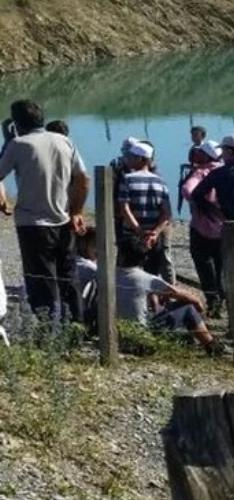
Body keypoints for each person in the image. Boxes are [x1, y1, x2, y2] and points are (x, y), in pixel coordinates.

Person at [0, 99, 90, 320]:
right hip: (64, 219)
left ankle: (48, 330)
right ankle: (76, 325)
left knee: (41, 281)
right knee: (68, 275)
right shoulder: (64, 141)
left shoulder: (18, 145)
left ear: (17, 123)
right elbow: (83, 178)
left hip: (33, 224)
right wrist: (77, 211)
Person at [73, 230, 221, 353]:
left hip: (112, 333)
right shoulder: (148, 279)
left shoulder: (105, 274)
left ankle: (185, 339)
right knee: (188, 308)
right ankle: (211, 344)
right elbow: (190, 298)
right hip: (138, 336)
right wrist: (200, 307)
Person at [181, 139, 226, 316]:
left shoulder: (200, 172)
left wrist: (203, 203)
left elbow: (187, 190)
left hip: (201, 227)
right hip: (226, 229)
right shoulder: (227, 171)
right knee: (223, 266)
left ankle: (213, 300)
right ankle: (223, 297)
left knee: (204, 265)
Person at [117, 140, 173, 280]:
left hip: (131, 235)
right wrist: (155, 232)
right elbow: (166, 213)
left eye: (131, 156)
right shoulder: (160, 181)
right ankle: (153, 300)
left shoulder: (127, 179)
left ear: (141, 159)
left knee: (127, 272)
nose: (128, 159)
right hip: (154, 238)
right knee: (151, 275)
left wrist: (139, 231)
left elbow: (124, 208)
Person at [201, 134, 234, 222]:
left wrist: (214, 211)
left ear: (228, 151)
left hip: (227, 219)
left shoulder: (218, 173)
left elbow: (197, 194)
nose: (221, 154)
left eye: (222, 150)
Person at [178, 125, 209, 209]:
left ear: (203, 136)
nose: (193, 137)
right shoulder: (193, 148)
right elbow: (194, 164)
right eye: (192, 135)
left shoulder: (206, 149)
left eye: (195, 135)